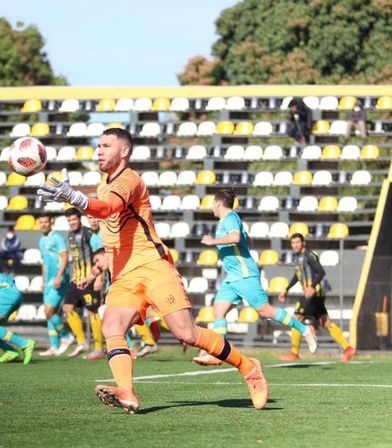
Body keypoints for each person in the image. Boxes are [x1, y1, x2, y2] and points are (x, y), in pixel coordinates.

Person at [38, 127, 269, 413]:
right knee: (112, 326)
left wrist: (76, 199)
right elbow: (103, 212)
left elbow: (109, 208)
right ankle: (127, 391)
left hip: (153, 266)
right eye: (97, 146)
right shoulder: (102, 185)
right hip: (123, 276)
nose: (98, 151)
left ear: (124, 151)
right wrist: (78, 201)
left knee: (185, 334)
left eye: (106, 146)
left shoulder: (130, 179)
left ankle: (249, 368)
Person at [192, 188, 317, 366]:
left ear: (218, 203)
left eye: (213, 203)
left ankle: (305, 330)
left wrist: (214, 241)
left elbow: (235, 237)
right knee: (218, 311)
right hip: (232, 277)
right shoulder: (226, 222)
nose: (212, 206)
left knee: (265, 311)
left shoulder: (231, 217)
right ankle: (217, 353)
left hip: (244, 274)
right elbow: (246, 240)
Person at [278, 233, 356, 362]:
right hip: (315, 295)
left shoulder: (309, 255)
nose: (295, 245)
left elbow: (321, 272)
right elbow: (298, 276)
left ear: (303, 243)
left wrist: (312, 286)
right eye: (293, 243)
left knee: (296, 319)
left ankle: (294, 353)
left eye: (298, 242)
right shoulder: (298, 257)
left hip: (314, 294)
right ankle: (348, 349)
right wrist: (286, 289)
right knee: (326, 323)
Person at [60, 207, 104, 359]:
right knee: (67, 308)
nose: (72, 222)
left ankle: (98, 347)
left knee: (93, 310)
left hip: (89, 278)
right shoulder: (70, 235)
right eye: (69, 220)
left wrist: (98, 277)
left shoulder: (89, 233)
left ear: (79, 219)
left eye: (74, 219)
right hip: (76, 279)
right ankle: (82, 343)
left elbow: (99, 256)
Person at [37, 214, 74, 356]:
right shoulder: (41, 240)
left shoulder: (57, 237)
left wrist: (59, 276)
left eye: (46, 222)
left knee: (49, 312)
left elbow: (65, 257)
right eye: (41, 222)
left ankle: (66, 336)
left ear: (51, 222)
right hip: (48, 281)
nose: (43, 224)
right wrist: (43, 280)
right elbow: (44, 262)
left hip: (59, 280)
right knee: (48, 313)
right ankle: (54, 346)